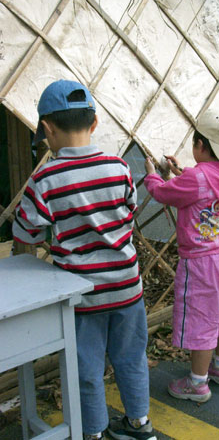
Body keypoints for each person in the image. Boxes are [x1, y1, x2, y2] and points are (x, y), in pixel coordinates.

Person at [12, 80, 156, 440]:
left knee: (86, 368)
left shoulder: (45, 180)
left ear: (47, 129)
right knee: (131, 358)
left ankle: (93, 433)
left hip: (83, 296)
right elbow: (129, 212)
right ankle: (140, 424)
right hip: (127, 287)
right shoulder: (119, 167)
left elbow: (25, 232)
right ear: (94, 124)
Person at [144, 109, 219, 403]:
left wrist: (152, 175)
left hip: (201, 262)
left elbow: (164, 193)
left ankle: (197, 384)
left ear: (200, 145)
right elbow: (202, 186)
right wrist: (182, 173)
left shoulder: (197, 178)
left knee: (202, 319)